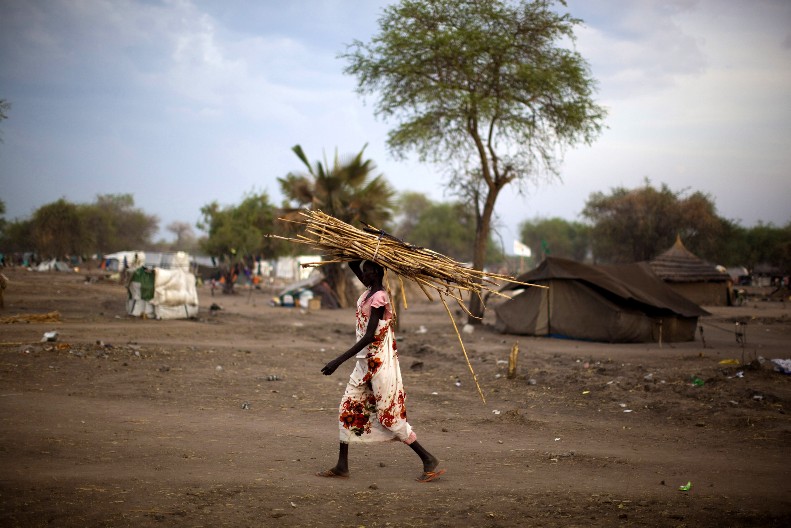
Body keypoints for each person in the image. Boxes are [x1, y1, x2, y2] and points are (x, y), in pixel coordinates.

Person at [317, 260, 445, 483]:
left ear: (376, 273)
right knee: (347, 408)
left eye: (367, 272)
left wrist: (337, 361)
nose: (363, 276)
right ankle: (342, 465)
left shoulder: (379, 297)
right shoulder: (369, 292)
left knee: (389, 416)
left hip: (379, 364)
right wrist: (353, 256)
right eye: (363, 272)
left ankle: (428, 459)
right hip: (363, 365)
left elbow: (369, 336)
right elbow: (355, 267)